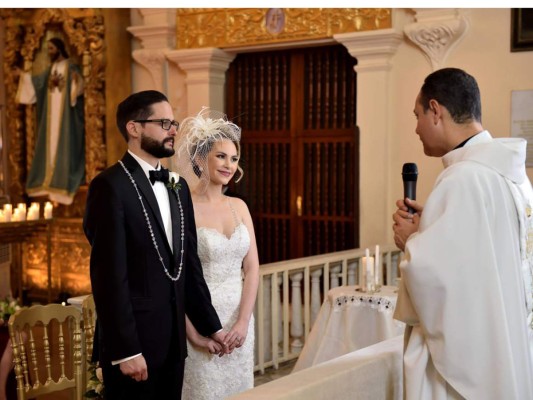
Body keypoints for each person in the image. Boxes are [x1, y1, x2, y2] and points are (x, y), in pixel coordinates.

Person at [392, 68, 533, 399]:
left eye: (417, 115)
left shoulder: (461, 179)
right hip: (508, 345)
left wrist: (411, 241)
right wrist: (432, 227)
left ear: (436, 110)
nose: (416, 127)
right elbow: (489, 254)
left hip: (470, 362)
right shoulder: (514, 177)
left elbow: (437, 280)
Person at [83, 91, 229, 400]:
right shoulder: (109, 186)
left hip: (173, 345)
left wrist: (211, 326)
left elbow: (189, 266)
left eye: (173, 123)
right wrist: (125, 351)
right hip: (135, 347)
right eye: (164, 123)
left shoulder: (177, 185)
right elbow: (109, 279)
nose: (173, 130)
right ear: (134, 128)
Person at [175, 108, 260, 399]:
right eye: (221, 156)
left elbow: (252, 269)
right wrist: (193, 333)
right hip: (201, 323)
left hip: (239, 326)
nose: (229, 165)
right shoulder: (184, 207)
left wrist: (243, 322)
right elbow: (178, 277)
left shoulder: (240, 207)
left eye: (234, 159)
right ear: (201, 158)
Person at [16, 37, 85, 205]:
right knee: (50, 148)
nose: (49, 52)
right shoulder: (50, 69)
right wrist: (23, 76)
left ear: (60, 49)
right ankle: (47, 182)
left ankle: (62, 182)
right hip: (50, 118)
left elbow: (78, 88)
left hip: (66, 119)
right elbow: (37, 83)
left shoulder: (70, 68)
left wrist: (76, 82)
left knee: (64, 147)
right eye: (48, 49)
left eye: (52, 48)